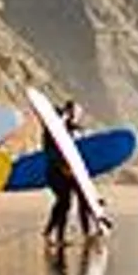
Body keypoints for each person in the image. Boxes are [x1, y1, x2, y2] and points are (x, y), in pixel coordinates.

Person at [44, 96, 106, 246]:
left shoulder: (75, 130)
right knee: (64, 203)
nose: (76, 116)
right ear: (67, 112)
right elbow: (51, 151)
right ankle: (54, 235)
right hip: (56, 172)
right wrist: (62, 167)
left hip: (73, 174)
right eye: (74, 113)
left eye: (78, 114)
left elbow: (83, 151)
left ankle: (87, 232)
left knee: (83, 201)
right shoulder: (54, 131)